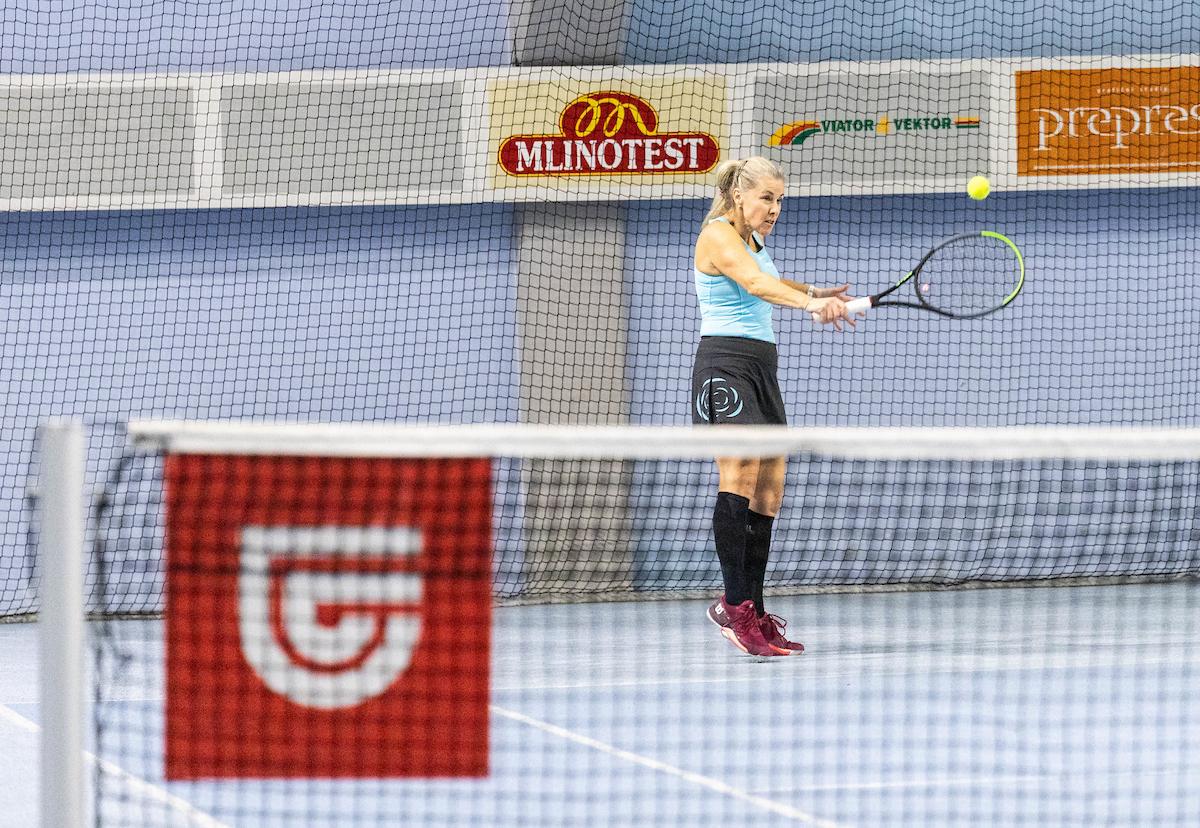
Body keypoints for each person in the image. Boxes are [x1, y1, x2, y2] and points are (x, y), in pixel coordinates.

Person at [691, 156, 855, 657]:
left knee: (769, 492)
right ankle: (734, 608)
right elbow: (755, 284)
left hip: (762, 370)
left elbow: (770, 280)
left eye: (780, 199)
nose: (775, 208)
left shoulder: (755, 243)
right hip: (725, 368)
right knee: (738, 477)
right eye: (767, 197)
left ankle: (755, 612)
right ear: (739, 195)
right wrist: (808, 305)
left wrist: (814, 291)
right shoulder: (718, 235)